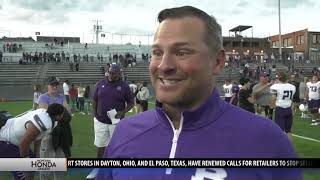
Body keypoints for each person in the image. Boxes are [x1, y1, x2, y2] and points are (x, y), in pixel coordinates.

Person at [97, 6, 302, 180]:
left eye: (181, 52)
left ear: (218, 61)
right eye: (157, 52)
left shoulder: (267, 140)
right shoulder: (125, 132)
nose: (164, 65)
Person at [87, 64, 134, 179]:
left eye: (113, 73)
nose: (110, 75)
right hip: (100, 121)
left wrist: (122, 112)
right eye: (109, 72)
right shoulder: (101, 83)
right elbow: (94, 99)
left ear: (119, 74)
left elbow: (131, 103)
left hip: (116, 122)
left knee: (115, 146)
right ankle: (98, 168)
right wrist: (95, 114)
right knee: (100, 145)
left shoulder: (124, 86)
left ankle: (114, 168)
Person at [0, 103, 65, 180]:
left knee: (31, 170)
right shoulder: (43, 122)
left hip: (15, 141)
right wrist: (26, 163)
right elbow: (24, 143)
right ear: (58, 116)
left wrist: (37, 156)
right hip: (6, 141)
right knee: (23, 175)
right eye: (62, 114)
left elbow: (38, 138)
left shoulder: (49, 119)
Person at [37, 76, 72, 180]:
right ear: (48, 85)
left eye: (56, 84)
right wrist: (61, 112)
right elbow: (46, 115)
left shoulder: (62, 97)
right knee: (45, 165)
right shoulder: (43, 97)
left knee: (59, 164)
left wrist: (57, 113)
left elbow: (68, 113)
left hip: (61, 135)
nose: (54, 86)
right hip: (48, 134)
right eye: (52, 84)